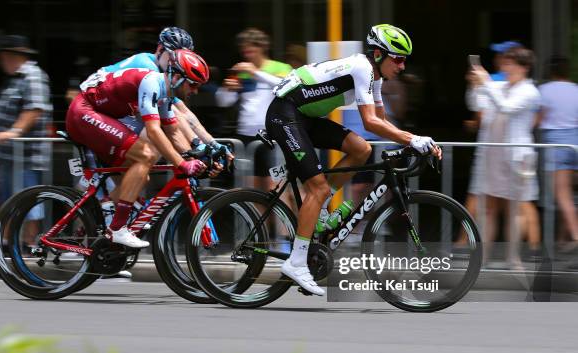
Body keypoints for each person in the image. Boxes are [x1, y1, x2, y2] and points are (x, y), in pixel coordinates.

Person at [265, 24, 441, 295]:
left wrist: (417, 140)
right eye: (398, 58)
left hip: (304, 117)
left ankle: (319, 207)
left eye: (405, 60)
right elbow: (370, 122)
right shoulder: (363, 67)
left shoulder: (376, 77)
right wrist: (413, 140)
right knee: (318, 187)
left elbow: (381, 121)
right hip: (285, 114)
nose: (403, 66)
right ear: (379, 55)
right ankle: (297, 262)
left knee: (361, 149)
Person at [66, 49, 211, 248]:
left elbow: (174, 132)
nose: (195, 91)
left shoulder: (165, 96)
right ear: (176, 77)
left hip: (99, 115)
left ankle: (97, 227)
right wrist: (182, 163)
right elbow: (153, 130)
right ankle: (117, 229)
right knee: (146, 154)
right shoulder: (151, 82)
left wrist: (201, 154)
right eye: (193, 84)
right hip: (83, 112)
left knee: (140, 177)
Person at [84, 27, 231, 161]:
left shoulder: (168, 75)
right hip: (92, 108)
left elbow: (185, 112)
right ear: (160, 49)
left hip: (112, 110)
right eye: (174, 55)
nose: (177, 61)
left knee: (149, 155)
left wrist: (213, 143)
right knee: (152, 149)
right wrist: (197, 146)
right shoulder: (149, 68)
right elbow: (175, 113)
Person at [467, 46, 541, 269]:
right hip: (493, 155)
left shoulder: (529, 91)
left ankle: (513, 257)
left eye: (510, 64)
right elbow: (475, 104)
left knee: (515, 208)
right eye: (505, 63)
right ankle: (483, 257)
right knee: (488, 208)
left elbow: (507, 107)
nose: (505, 68)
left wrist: (486, 83)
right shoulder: (500, 86)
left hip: (517, 156)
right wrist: (474, 85)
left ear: (524, 67)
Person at [0, 35, 53, 248]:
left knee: (28, 201)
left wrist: (15, 131)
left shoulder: (32, 75)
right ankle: (8, 242)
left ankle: (29, 243)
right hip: (11, 155)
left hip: (26, 154)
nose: (2, 62)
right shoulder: (16, 77)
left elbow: (34, 108)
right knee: (12, 200)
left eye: (4, 57)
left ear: (15, 56)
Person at [216, 28, 292, 190]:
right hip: (246, 137)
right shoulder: (242, 71)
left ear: (262, 47)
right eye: (244, 50)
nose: (247, 54)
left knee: (275, 187)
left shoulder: (281, 67)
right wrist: (227, 89)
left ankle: (284, 216)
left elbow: (286, 87)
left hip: (272, 137)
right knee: (252, 188)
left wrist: (256, 72)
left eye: (251, 49)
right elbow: (223, 102)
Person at [538, 56, 578, 248]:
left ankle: (576, 236)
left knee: (562, 195)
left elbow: (538, 119)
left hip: (556, 143)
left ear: (550, 71)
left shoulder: (545, 90)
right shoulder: (575, 89)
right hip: (574, 142)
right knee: (567, 193)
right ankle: (563, 239)